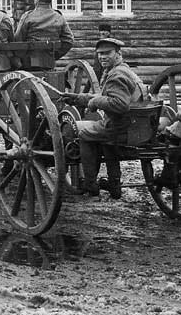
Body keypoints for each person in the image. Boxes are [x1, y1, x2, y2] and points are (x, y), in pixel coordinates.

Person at [61, 37, 147, 199]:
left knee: (84, 134)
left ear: (118, 54)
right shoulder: (124, 70)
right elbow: (105, 96)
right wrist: (77, 98)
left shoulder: (116, 75)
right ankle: (114, 185)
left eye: (107, 53)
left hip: (119, 127)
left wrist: (94, 101)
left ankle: (90, 183)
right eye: (100, 54)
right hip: (133, 125)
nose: (102, 57)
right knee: (105, 139)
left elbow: (119, 104)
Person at [14, 0, 75, 69]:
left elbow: (17, 39)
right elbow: (69, 40)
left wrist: (23, 57)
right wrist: (54, 55)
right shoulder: (59, 17)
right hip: (49, 63)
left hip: (29, 65)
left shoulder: (28, 16)